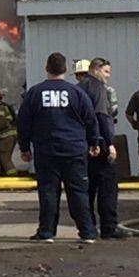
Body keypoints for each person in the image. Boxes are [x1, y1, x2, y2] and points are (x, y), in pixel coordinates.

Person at [16, 52, 102, 243]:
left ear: (47, 68)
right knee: (78, 192)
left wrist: (24, 147)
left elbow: (23, 122)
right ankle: (87, 232)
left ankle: (47, 232)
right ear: (65, 70)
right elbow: (90, 119)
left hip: (46, 151)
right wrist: (94, 142)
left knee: (48, 192)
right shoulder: (77, 93)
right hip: (74, 150)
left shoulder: (35, 93)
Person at [78, 57, 127, 239]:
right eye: (106, 72)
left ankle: (88, 229)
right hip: (99, 145)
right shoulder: (98, 88)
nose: (107, 77)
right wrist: (110, 143)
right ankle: (109, 228)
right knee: (107, 187)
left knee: (87, 189)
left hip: (82, 145)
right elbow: (102, 116)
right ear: (96, 70)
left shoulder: (78, 88)